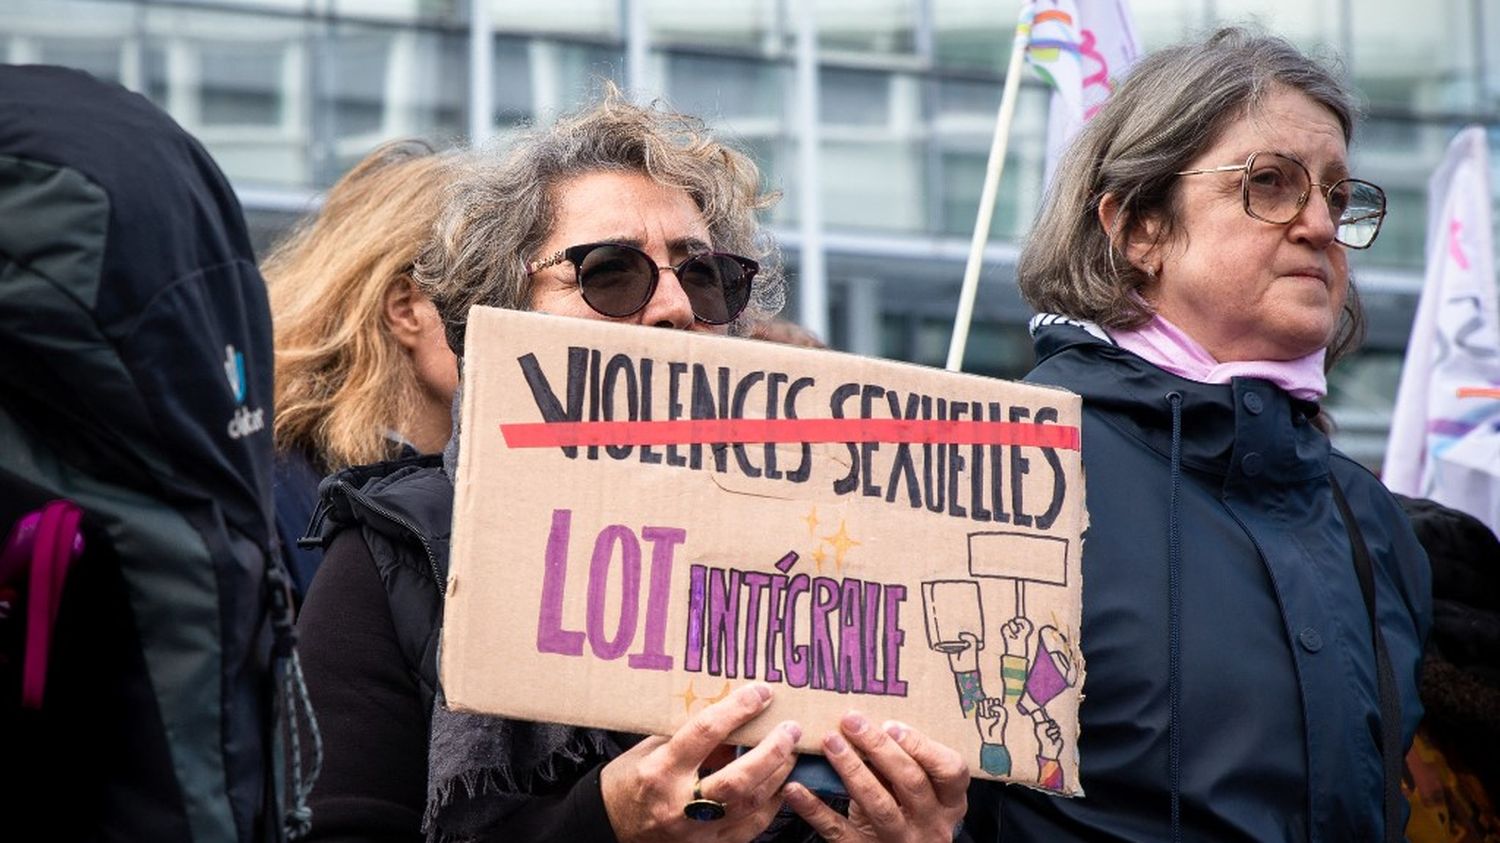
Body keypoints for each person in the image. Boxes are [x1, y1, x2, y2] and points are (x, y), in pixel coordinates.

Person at [294, 93, 972, 843]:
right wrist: (604, 825)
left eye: (706, 274)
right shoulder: (395, 562)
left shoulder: (845, 562)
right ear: (499, 312)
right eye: (610, 273)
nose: (676, 307)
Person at [965, 28, 1432, 843]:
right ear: (1137, 226)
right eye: (1271, 184)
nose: (1320, 224)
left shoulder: (1372, 521)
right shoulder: (1006, 467)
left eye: (1335, 192)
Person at [263, 140, 460, 596]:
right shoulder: (277, 489)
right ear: (407, 309)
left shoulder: (483, 486)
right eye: (485, 286)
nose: (519, 316)